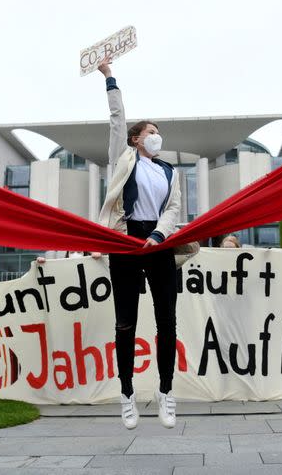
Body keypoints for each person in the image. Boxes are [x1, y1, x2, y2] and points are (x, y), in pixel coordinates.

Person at [94, 57, 181, 429]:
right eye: (150, 132)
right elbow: (117, 119)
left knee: (168, 322)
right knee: (125, 322)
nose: (156, 137)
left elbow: (175, 207)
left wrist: (160, 235)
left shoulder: (169, 170)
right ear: (136, 139)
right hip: (126, 241)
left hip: (158, 243)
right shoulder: (123, 158)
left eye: (158, 132)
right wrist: (110, 77)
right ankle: (127, 394)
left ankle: (166, 392)